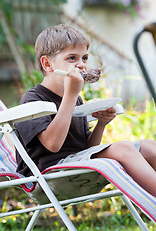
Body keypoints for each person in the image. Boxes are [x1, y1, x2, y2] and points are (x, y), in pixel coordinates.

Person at [15, 24, 156, 196]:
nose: (81, 65)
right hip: (49, 176)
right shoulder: (33, 100)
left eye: (85, 58)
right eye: (72, 58)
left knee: (149, 146)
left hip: (78, 167)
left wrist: (101, 124)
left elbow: (87, 149)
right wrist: (71, 95)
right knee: (123, 148)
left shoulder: (76, 100)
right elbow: (52, 144)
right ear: (48, 64)